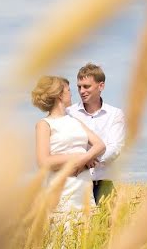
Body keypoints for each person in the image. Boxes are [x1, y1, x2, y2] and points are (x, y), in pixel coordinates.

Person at [32, 76, 105, 213]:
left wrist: (83, 159)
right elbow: (43, 161)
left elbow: (100, 145)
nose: (72, 93)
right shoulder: (44, 124)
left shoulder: (75, 121)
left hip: (83, 191)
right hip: (62, 192)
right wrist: (80, 156)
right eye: (68, 90)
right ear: (60, 95)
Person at [67, 63, 125, 205]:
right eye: (79, 87)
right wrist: (84, 160)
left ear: (101, 86)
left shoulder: (115, 114)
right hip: (76, 182)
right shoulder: (69, 113)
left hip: (103, 183)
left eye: (86, 86)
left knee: (109, 225)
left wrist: (88, 160)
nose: (81, 91)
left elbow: (115, 148)